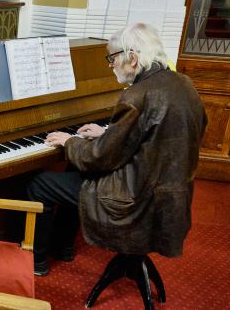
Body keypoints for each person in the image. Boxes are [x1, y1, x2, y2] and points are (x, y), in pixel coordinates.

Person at [27, 23, 207, 276]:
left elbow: (98, 158)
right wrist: (109, 134)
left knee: (41, 183)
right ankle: (64, 247)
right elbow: (165, 135)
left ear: (132, 58)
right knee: (72, 166)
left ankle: (36, 262)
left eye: (112, 58)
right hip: (168, 196)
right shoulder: (183, 84)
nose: (110, 65)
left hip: (134, 200)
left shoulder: (136, 96)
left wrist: (69, 141)